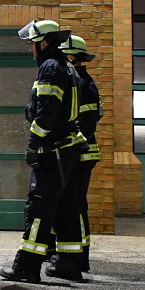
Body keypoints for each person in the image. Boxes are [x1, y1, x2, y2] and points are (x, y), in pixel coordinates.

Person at [0, 20, 87, 284]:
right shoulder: (68, 67)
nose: (31, 50)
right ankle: (68, 264)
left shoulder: (49, 68)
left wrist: (33, 143)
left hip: (53, 149)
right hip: (69, 149)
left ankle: (26, 267)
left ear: (44, 43)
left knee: (39, 207)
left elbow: (47, 113)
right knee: (67, 208)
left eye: (33, 44)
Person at [58, 34, 102, 272]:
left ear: (72, 56)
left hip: (80, 154)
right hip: (82, 152)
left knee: (75, 205)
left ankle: (79, 257)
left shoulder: (82, 85)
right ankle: (67, 252)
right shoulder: (84, 81)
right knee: (71, 203)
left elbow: (85, 124)